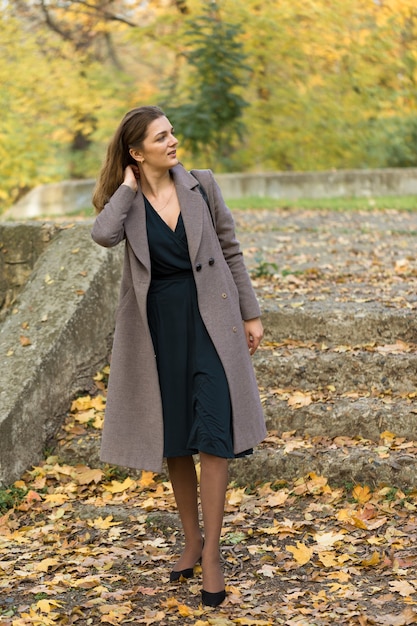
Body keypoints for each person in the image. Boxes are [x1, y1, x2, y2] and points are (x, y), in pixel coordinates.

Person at [91, 105, 267, 608]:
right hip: (157, 330)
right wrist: (128, 187)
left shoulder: (201, 184)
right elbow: (102, 236)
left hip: (211, 318)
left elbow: (230, 249)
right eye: (161, 137)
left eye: (172, 133)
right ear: (135, 150)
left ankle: (212, 552)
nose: (173, 141)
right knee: (174, 440)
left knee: (215, 433)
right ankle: (190, 538)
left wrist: (250, 314)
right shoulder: (122, 202)